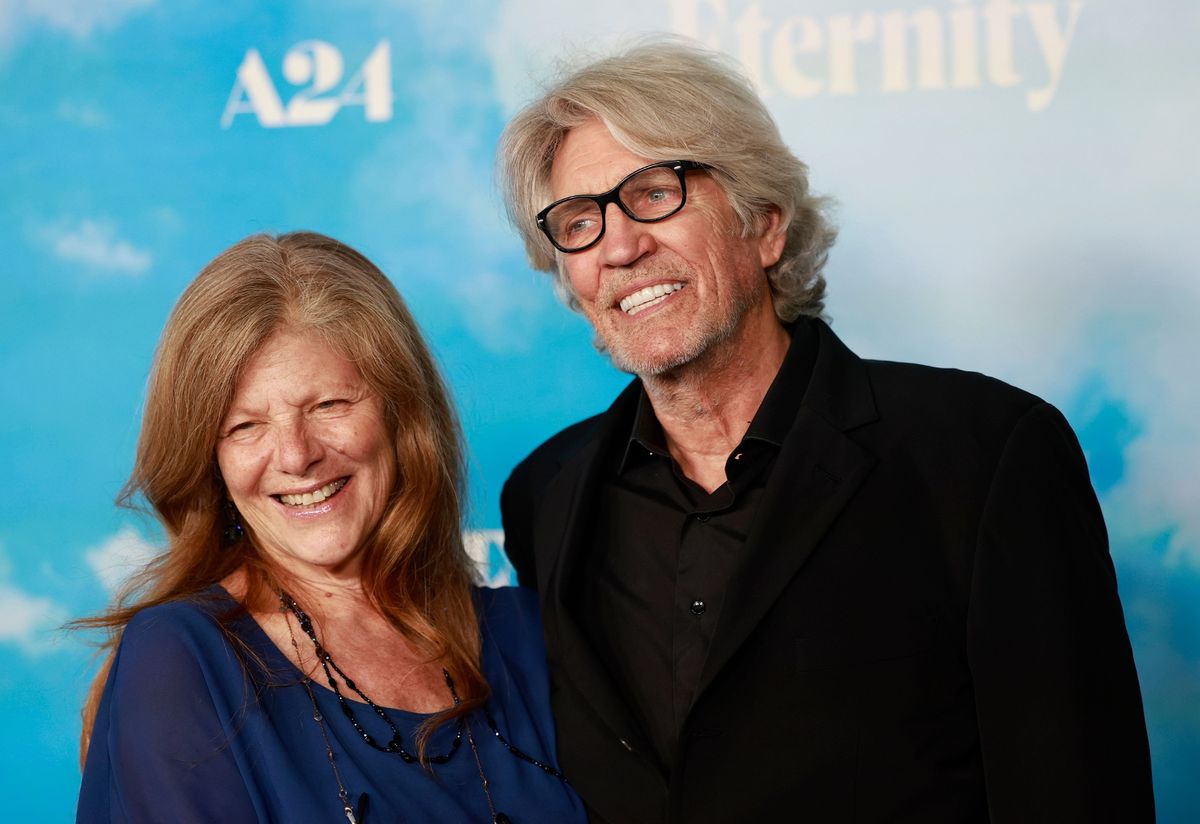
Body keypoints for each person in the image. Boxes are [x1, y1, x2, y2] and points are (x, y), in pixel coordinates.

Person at [496, 40, 1155, 823]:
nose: (619, 245)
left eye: (653, 194)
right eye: (578, 221)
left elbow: (1076, 790)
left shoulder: (985, 455)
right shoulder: (546, 494)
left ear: (766, 226)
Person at [76, 232, 586, 823]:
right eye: (245, 426)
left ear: (402, 416)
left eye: (328, 406)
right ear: (209, 462)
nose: (295, 455)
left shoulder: (528, 636)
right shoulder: (183, 661)